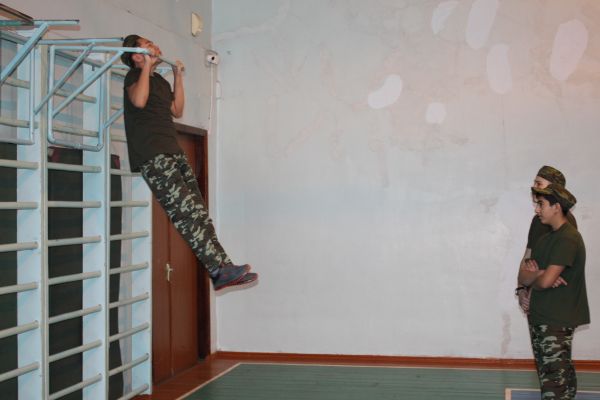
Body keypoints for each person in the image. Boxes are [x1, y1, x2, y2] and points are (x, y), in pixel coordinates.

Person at [120, 34, 257, 290]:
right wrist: (146, 66)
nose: (155, 45)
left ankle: (223, 268)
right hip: (152, 155)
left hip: (172, 150)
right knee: (185, 213)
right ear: (137, 55)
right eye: (148, 45)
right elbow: (138, 101)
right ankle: (218, 269)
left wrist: (178, 77)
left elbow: (177, 109)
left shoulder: (159, 81)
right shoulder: (133, 77)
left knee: (199, 212)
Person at [518, 184, 590, 399]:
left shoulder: (568, 238)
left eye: (541, 204)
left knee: (555, 385)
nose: (537, 209)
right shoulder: (545, 239)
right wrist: (540, 274)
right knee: (554, 381)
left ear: (556, 207)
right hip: (541, 318)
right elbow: (524, 276)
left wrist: (538, 276)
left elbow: (546, 281)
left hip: (556, 320)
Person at [516, 166, 577, 313]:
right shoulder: (538, 220)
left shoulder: (565, 222)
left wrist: (534, 283)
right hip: (535, 298)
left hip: (553, 302)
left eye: (539, 183)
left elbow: (558, 269)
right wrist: (521, 290)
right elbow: (527, 257)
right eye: (534, 183)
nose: (534, 187)